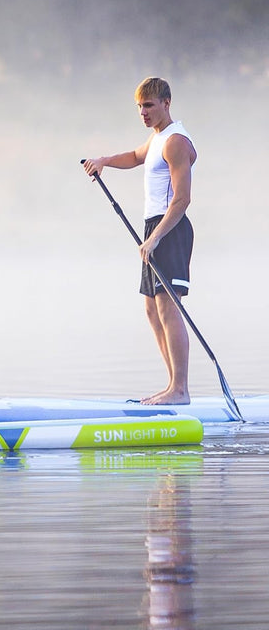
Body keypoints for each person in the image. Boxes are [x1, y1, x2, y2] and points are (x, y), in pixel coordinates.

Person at [83, 77, 197, 405]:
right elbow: (135, 156)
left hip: (170, 230)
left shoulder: (176, 141)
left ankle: (180, 389)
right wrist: (103, 161)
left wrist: (157, 237)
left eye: (148, 105)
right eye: (139, 106)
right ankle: (172, 385)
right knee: (151, 308)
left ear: (166, 103)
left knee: (168, 306)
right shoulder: (157, 138)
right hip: (154, 230)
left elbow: (182, 199)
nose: (143, 112)